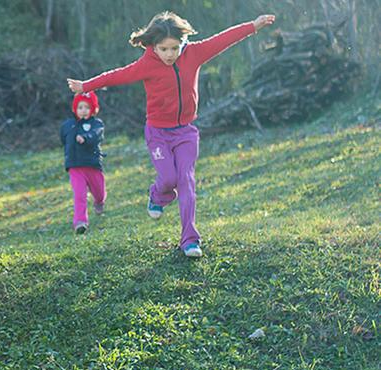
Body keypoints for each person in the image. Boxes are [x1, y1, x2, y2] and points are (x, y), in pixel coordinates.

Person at [67, 11, 275, 257]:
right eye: (163, 49)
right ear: (153, 45)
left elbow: (223, 40)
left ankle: (190, 239)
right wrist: (86, 86)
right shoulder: (146, 64)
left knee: (186, 180)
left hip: (186, 132)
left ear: (182, 43)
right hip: (158, 133)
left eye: (174, 48)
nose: (169, 54)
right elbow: (116, 76)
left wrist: (253, 26)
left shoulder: (194, 54)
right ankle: (157, 194)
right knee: (168, 179)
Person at [60, 91, 106, 234]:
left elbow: (96, 135)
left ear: (93, 109)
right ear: (75, 109)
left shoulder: (96, 124)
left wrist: (85, 137)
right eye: (80, 107)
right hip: (75, 165)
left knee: (98, 191)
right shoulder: (68, 125)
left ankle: (99, 201)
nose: (83, 111)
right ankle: (80, 222)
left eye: (87, 107)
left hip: (92, 164)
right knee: (79, 194)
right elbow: (63, 139)